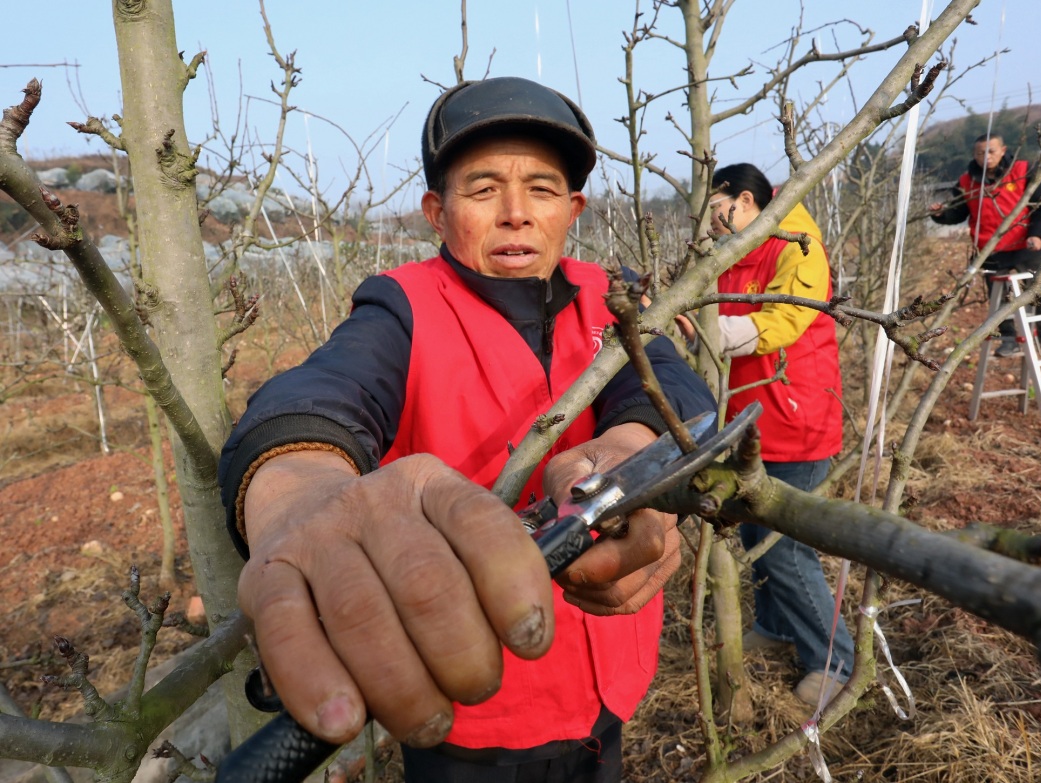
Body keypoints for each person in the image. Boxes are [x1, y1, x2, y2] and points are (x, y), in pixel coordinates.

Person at [218, 76, 715, 783]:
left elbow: (672, 389)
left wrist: (635, 456)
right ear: (436, 210)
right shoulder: (400, 308)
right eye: (482, 189)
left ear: (572, 209)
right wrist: (299, 499)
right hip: (469, 701)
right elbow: (318, 395)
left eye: (542, 190)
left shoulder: (614, 299)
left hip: (608, 684)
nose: (516, 213)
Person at [703, 163, 856, 706]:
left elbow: (783, 320)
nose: (711, 220)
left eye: (716, 208)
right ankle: (778, 626)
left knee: (785, 550)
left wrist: (705, 331)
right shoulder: (736, 248)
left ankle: (834, 660)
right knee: (755, 536)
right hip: (749, 421)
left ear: (745, 201)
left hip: (795, 420)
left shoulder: (799, 246)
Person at [929, 132, 1041, 357]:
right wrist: (941, 214)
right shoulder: (966, 182)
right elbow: (958, 212)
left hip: (1025, 244)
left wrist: (1038, 235)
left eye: (991, 151)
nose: (986, 157)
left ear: (1003, 150)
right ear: (974, 155)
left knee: (1038, 288)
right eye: (981, 153)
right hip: (990, 249)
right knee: (998, 298)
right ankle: (1008, 337)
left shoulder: (1023, 171)